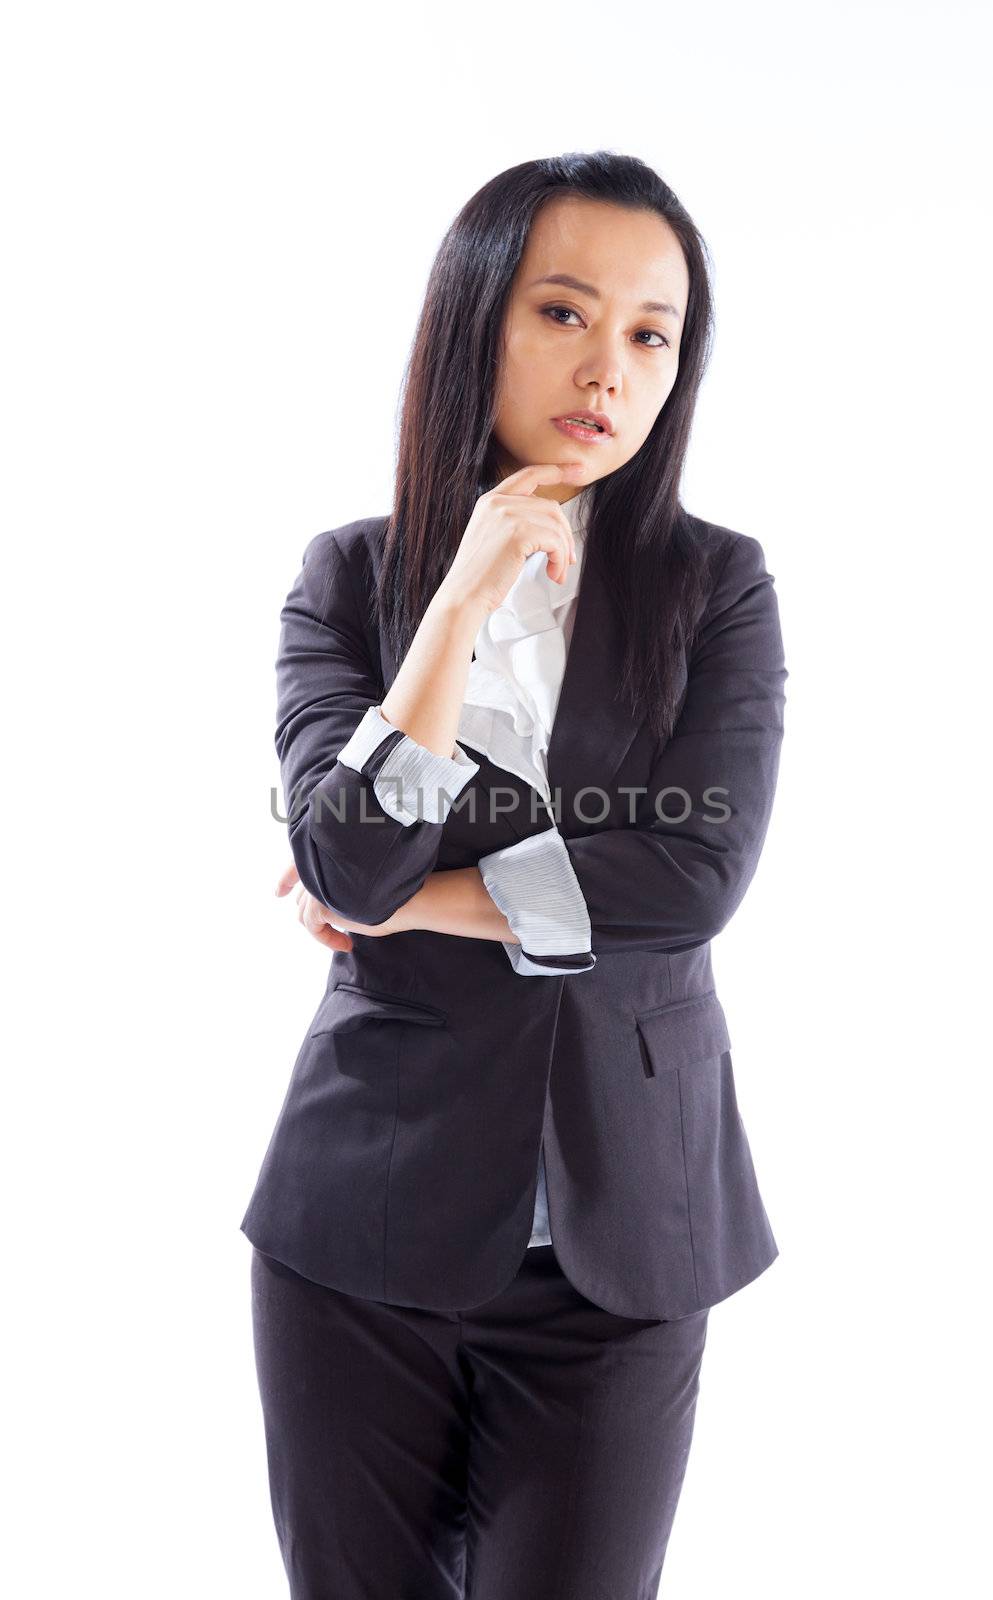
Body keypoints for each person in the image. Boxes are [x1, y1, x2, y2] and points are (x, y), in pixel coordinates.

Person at [241, 149, 788, 1599]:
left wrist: (411, 898)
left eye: (649, 333)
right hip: (359, 1233)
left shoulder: (712, 587)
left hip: (627, 1238)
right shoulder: (348, 582)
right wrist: (459, 608)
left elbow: (690, 877)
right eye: (562, 311)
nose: (607, 365)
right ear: (474, 318)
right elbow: (347, 844)